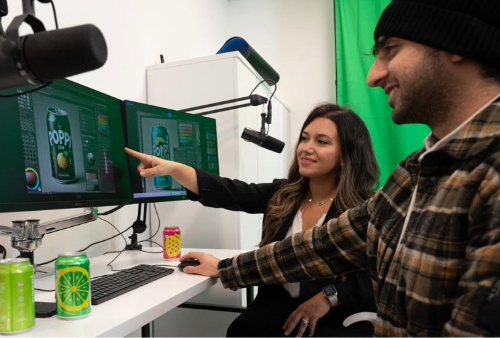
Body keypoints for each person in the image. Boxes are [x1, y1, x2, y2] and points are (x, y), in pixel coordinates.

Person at [178, 0, 500, 336]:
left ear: (457, 41)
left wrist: (329, 297)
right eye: (305, 138)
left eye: (391, 49)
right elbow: (322, 246)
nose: (374, 75)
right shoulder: (417, 171)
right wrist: (226, 269)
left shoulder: (488, 176)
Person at [126, 103, 380, 337]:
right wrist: (173, 169)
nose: (306, 148)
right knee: (241, 330)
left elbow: (375, 276)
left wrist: (328, 297)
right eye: (305, 138)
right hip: (277, 304)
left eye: (322, 142)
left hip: (333, 311)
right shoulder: (283, 194)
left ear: (347, 155)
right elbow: (231, 191)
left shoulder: (364, 210)